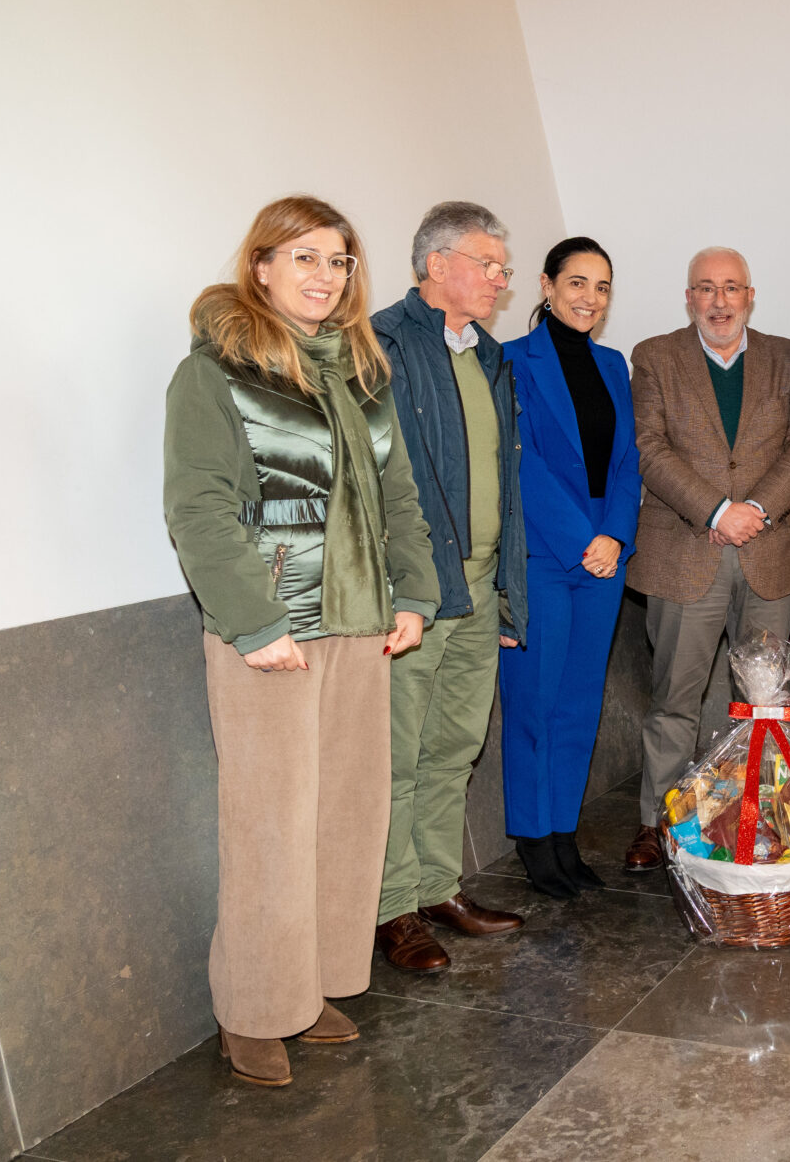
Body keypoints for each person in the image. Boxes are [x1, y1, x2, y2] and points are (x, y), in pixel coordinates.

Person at [164, 195, 438, 1087]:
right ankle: (251, 1010)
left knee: (346, 820)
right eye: (306, 258)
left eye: (339, 261)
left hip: (360, 626)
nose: (325, 276)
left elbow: (397, 495)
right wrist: (255, 621)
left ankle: (308, 987)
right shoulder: (214, 374)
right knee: (269, 827)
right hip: (271, 636)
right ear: (262, 267)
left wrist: (414, 593)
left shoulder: (362, 372)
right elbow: (199, 508)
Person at [369, 201, 529, 972]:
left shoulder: (489, 357)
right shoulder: (381, 345)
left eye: (503, 266)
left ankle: (437, 885)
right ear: (437, 266)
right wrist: (408, 584)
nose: (501, 279)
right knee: (397, 753)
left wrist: (506, 589)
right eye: (487, 264)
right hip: (418, 590)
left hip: (481, 583)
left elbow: (503, 476)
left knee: (454, 746)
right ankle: (391, 905)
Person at [622, 246, 790, 870]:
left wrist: (755, 508)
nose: (720, 300)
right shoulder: (654, 357)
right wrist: (715, 511)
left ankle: (757, 820)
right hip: (686, 552)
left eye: (732, 288)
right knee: (675, 697)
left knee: (765, 702)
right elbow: (648, 449)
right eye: (706, 288)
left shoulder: (788, 358)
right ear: (689, 298)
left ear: (750, 296)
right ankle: (659, 821)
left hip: (769, 549)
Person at [498, 237, 641, 897]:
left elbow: (626, 463)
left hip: (601, 554)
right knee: (535, 700)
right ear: (546, 285)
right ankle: (533, 838)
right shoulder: (511, 362)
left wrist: (613, 533)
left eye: (603, 286)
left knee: (580, 703)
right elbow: (516, 460)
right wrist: (583, 537)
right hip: (543, 550)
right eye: (577, 282)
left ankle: (563, 832)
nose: (590, 296)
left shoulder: (613, 365)